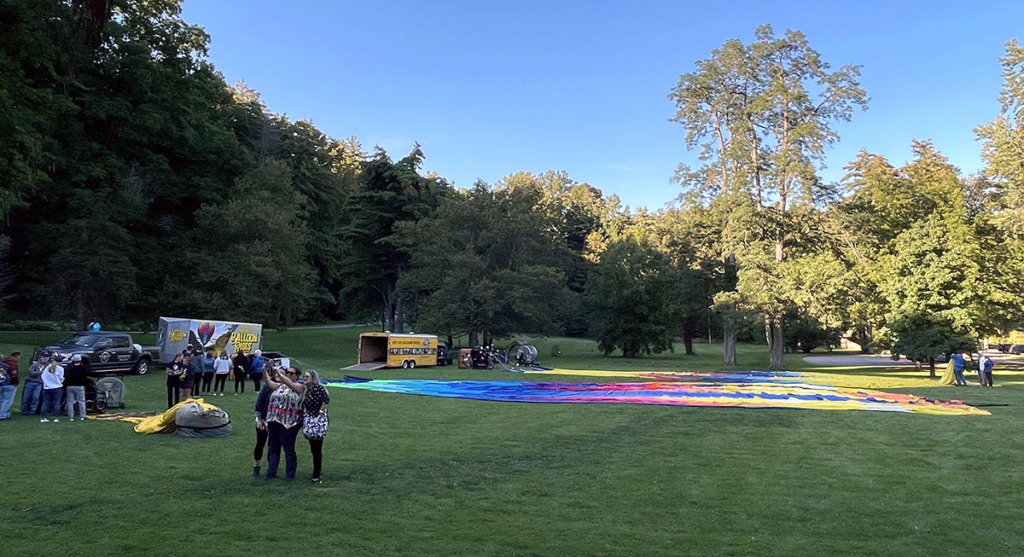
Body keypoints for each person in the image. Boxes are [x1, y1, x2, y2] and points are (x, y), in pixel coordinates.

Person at [279, 368, 330, 483]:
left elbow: (325, 400)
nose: (304, 378)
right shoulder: (309, 390)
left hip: (317, 423)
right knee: (314, 449)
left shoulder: (318, 388)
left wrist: (319, 415)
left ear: (313, 378)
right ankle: (316, 473)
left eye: (307, 377)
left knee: (316, 449)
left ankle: (316, 476)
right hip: (310, 422)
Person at [262, 363, 303, 480]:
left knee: (289, 449)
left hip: (289, 423)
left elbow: (289, 383)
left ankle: (290, 474)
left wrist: (279, 372)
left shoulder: (299, 387)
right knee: (273, 448)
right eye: (288, 373)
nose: (289, 375)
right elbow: (269, 383)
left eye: (291, 373)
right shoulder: (280, 386)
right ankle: (271, 472)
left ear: (297, 376)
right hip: (274, 420)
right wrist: (265, 370)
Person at [252, 373, 274, 477]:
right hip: (264, 420)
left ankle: (271, 468)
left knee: (272, 446)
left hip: (275, 422)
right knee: (260, 443)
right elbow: (259, 403)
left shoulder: (285, 388)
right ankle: (257, 465)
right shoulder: (267, 388)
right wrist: (259, 419)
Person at [64, 355, 89, 421]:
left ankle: (71, 416)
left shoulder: (69, 368)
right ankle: (82, 416)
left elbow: (66, 376)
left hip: (70, 386)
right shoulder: (83, 368)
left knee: (70, 401)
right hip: (80, 386)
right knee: (81, 401)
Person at [40, 355, 64, 422]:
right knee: (56, 403)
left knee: (45, 403)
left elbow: (43, 376)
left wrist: (46, 383)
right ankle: (56, 418)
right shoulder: (61, 369)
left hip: (47, 388)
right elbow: (61, 378)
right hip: (57, 387)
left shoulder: (48, 367)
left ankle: (43, 418)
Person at [0, 351, 21, 420]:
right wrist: (16, 382)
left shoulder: (4, 362)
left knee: (2, 399)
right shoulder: (12, 364)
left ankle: (4, 413)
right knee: (7, 400)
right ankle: (3, 415)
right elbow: (14, 375)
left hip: (1, 383)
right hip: (9, 384)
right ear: (16, 355)